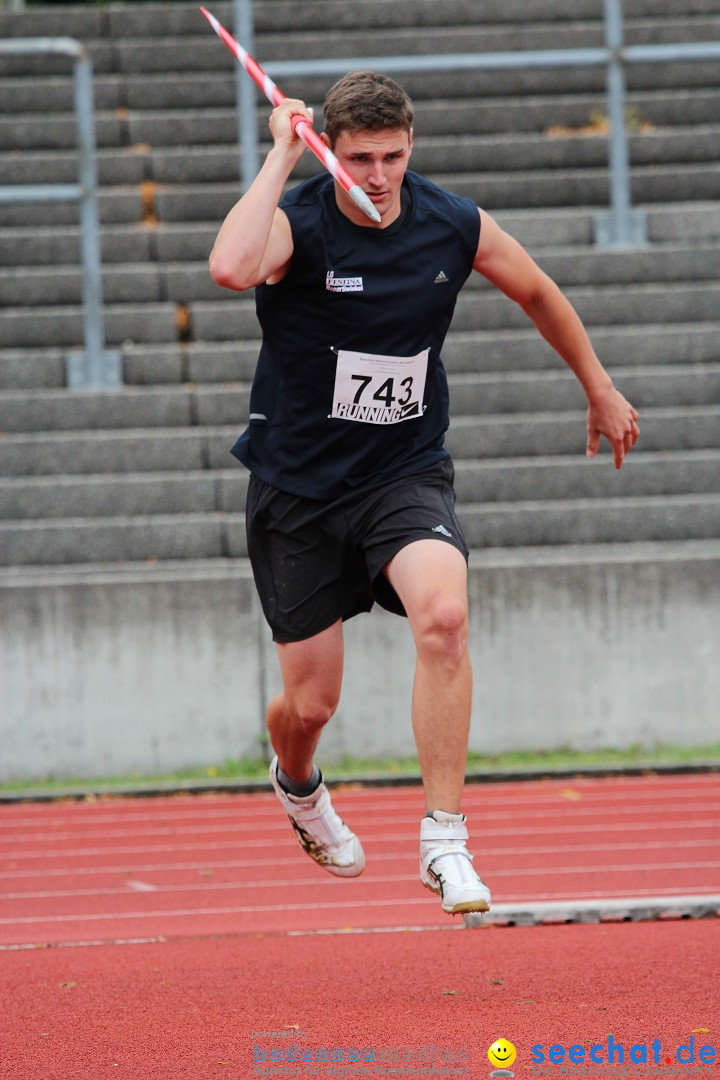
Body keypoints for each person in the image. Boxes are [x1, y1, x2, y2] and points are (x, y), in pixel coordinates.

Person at [209, 71, 639, 916]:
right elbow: (229, 266)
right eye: (359, 158)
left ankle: (446, 839)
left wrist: (597, 385)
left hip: (402, 469)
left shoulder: (449, 221)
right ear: (329, 149)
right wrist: (279, 153)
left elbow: (538, 291)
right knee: (310, 702)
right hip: (298, 488)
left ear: (413, 147)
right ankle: (298, 787)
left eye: (392, 157)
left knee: (444, 617)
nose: (376, 176)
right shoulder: (299, 221)